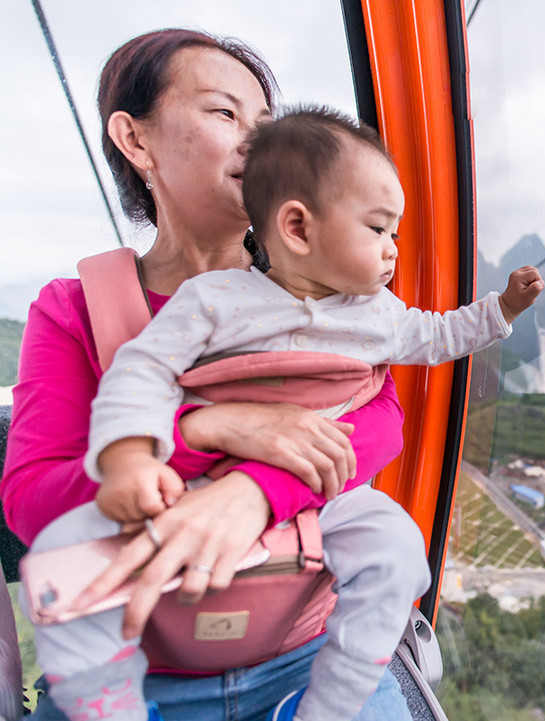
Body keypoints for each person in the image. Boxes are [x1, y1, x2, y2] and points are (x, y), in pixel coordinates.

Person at [27, 106, 543, 721]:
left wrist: (502, 310)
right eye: (379, 230)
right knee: (62, 550)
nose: (392, 250)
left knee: (400, 548)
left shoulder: (378, 314)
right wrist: (130, 456)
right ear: (297, 228)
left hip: (322, 498)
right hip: (193, 480)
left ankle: (331, 700)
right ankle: (105, 703)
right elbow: (144, 370)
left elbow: (437, 337)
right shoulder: (214, 300)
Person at [0, 28, 440, 721]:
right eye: (224, 114)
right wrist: (205, 429)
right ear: (136, 140)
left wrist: (254, 490)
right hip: (137, 674)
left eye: (267, 125)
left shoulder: (324, 292)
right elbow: (32, 498)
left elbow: (379, 416)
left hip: (313, 655)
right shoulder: (74, 310)